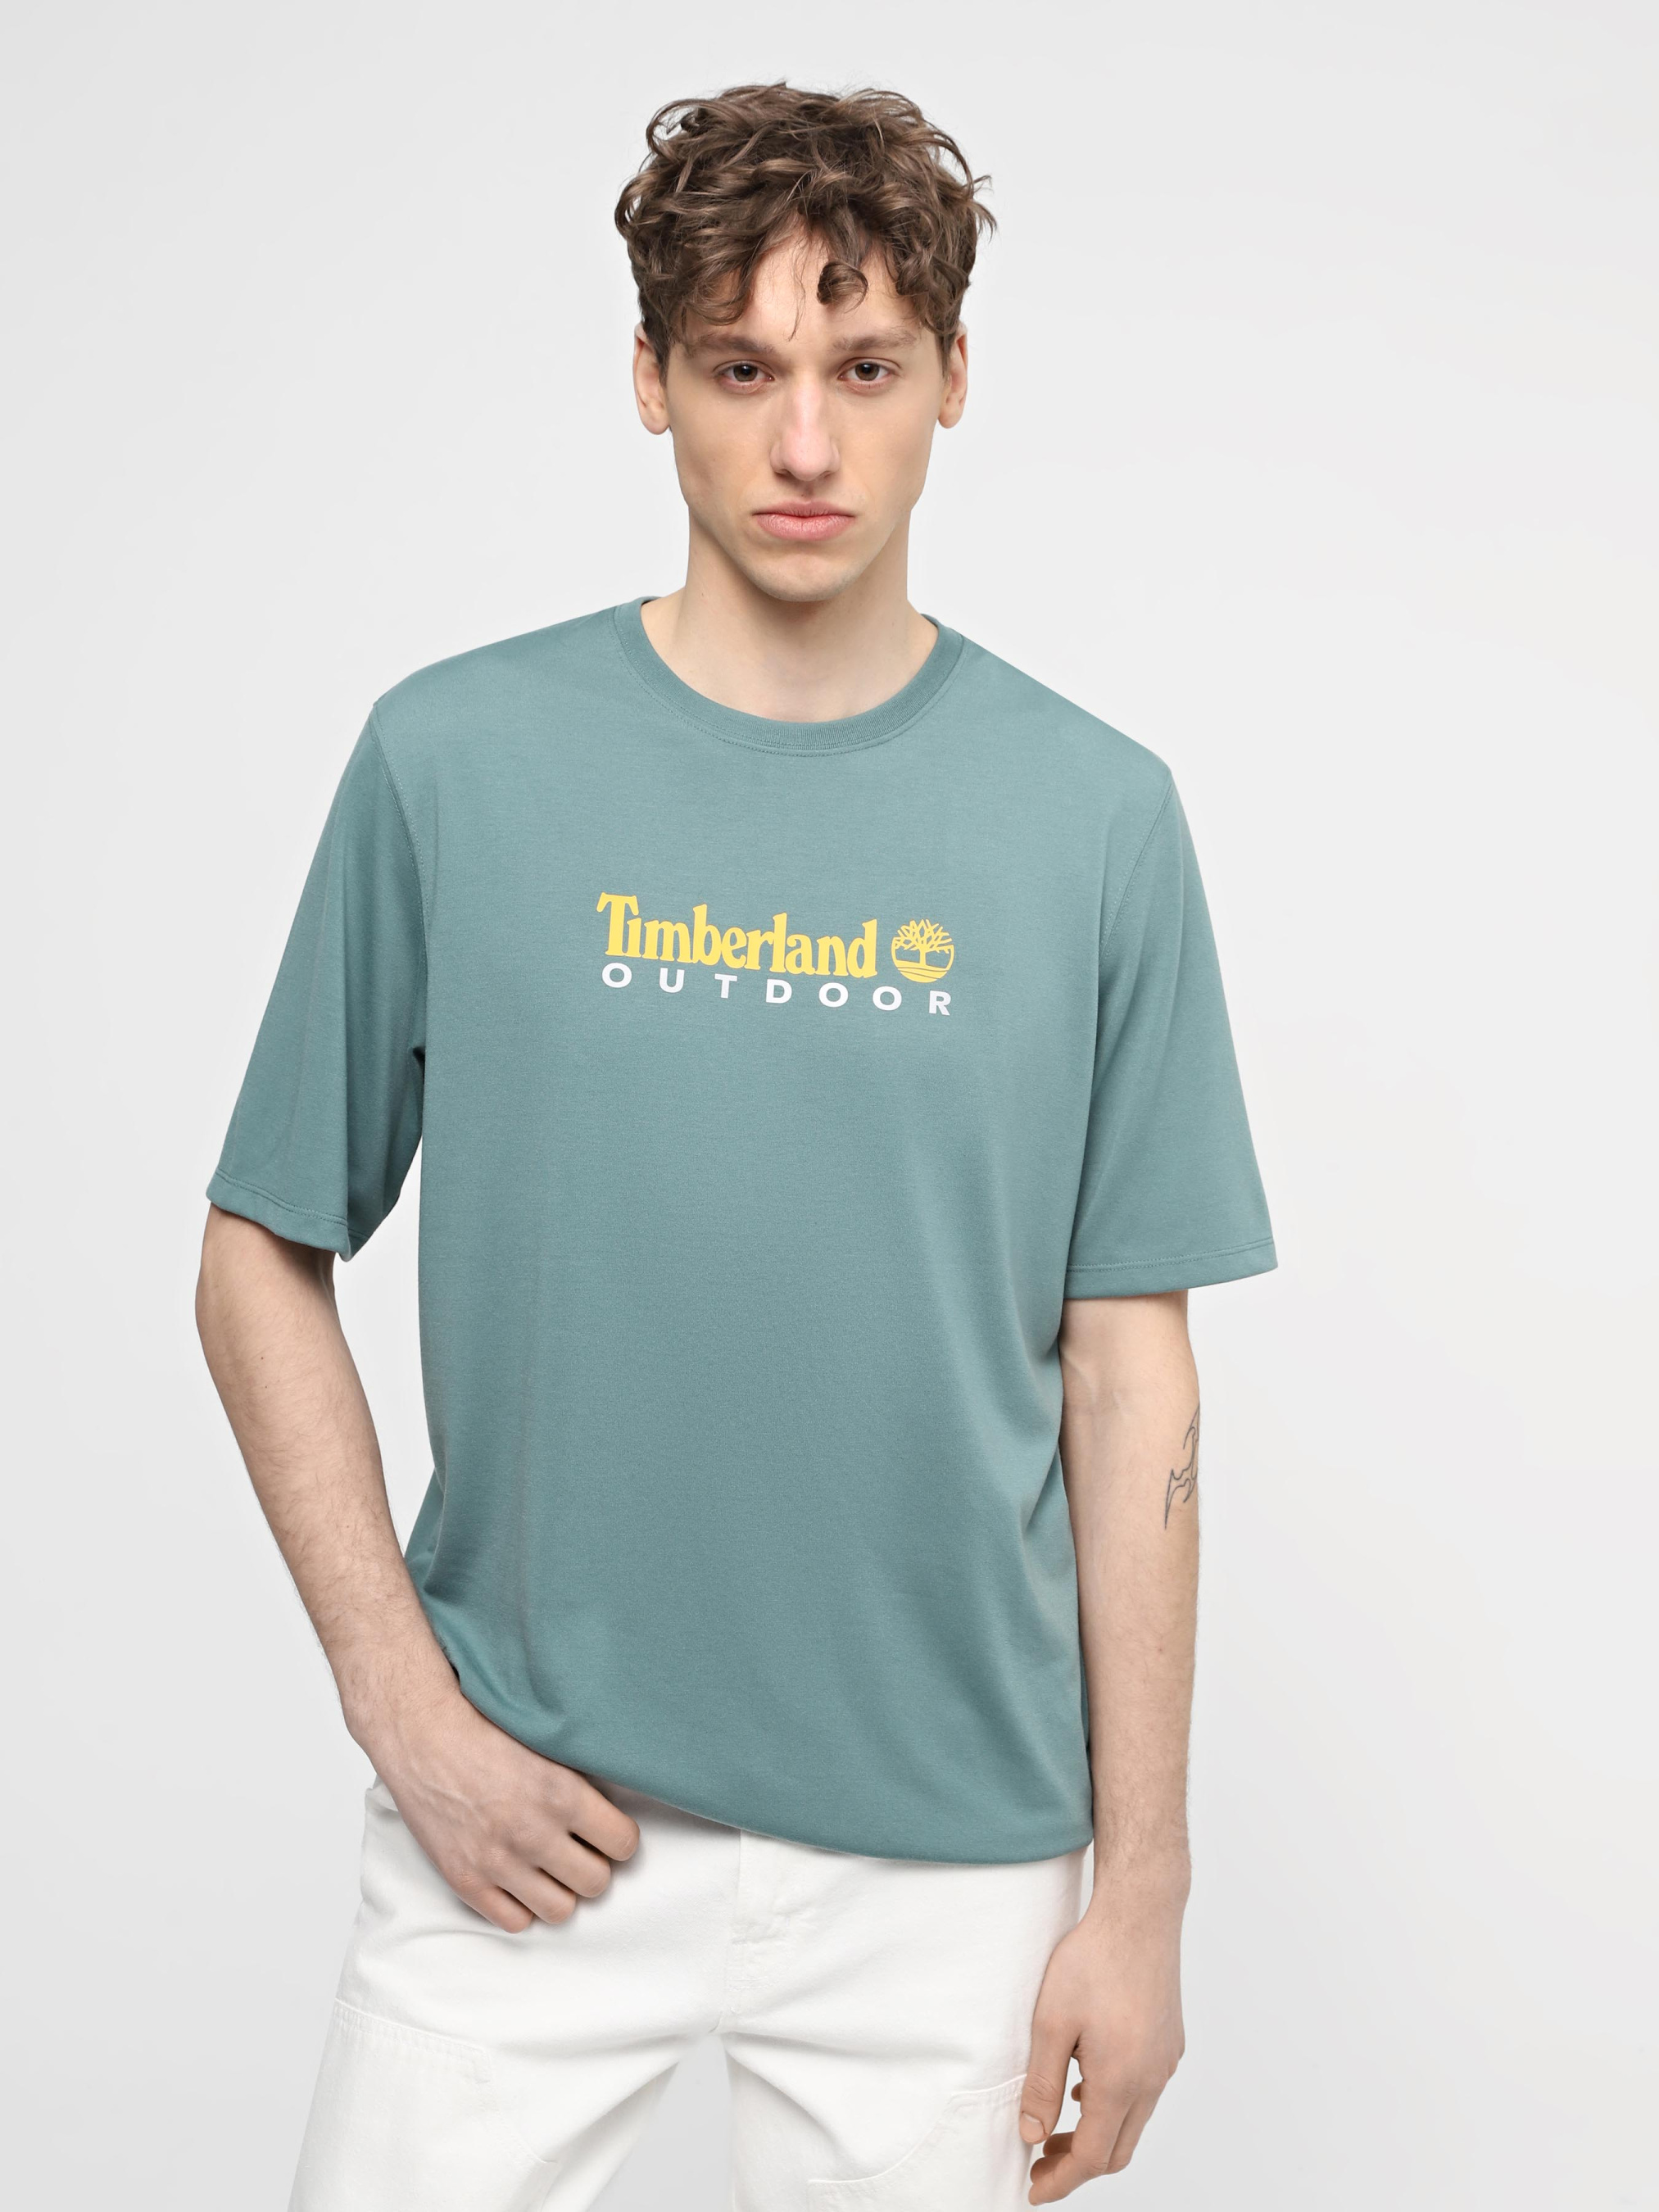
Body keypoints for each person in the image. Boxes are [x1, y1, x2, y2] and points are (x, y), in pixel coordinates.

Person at [196, 81, 1276, 2212]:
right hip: (526, 1834)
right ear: (648, 380)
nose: (803, 444)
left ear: (951, 377)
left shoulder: (1095, 818)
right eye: (740, 367)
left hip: (949, 1871)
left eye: (862, 369)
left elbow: (1128, 1370)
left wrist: (1141, 1886)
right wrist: (401, 1706)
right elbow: (257, 1249)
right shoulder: (452, 761)